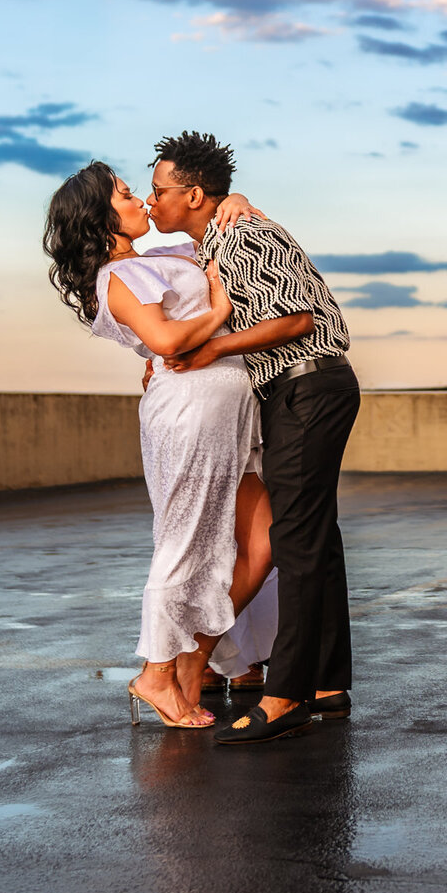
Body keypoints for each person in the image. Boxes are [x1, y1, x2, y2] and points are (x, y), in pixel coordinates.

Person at [42, 162, 277, 730]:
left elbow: (218, 242)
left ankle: (194, 656)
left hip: (232, 416)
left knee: (265, 545)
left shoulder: (155, 260)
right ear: (101, 219)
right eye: (126, 195)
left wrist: (235, 198)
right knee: (184, 544)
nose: (142, 202)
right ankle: (155, 671)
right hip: (191, 414)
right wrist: (220, 313)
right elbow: (167, 339)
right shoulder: (116, 278)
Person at [147, 131, 361, 747]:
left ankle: (286, 693)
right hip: (303, 391)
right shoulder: (223, 238)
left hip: (306, 387)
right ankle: (325, 683)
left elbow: (297, 319)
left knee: (298, 541)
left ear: (193, 193)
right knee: (315, 539)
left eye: (160, 191)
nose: (155, 202)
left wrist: (212, 345)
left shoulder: (241, 236)